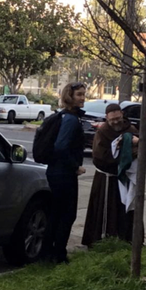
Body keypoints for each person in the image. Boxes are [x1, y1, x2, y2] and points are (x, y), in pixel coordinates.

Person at [82, 104, 139, 247]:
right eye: (112, 119)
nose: (115, 122)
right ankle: (101, 240)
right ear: (107, 118)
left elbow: (139, 149)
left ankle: (126, 238)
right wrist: (120, 158)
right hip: (106, 178)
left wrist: (128, 156)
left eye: (118, 118)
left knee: (125, 209)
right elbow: (99, 155)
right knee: (105, 210)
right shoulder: (102, 133)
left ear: (121, 114)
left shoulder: (131, 130)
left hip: (126, 177)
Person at [44, 82, 87, 264]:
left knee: (56, 213)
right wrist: (75, 166)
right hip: (63, 174)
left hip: (56, 172)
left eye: (84, 94)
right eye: (78, 94)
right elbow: (61, 147)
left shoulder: (65, 116)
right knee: (66, 214)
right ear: (70, 96)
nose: (82, 98)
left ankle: (48, 253)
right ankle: (58, 255)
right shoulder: (70, 119)